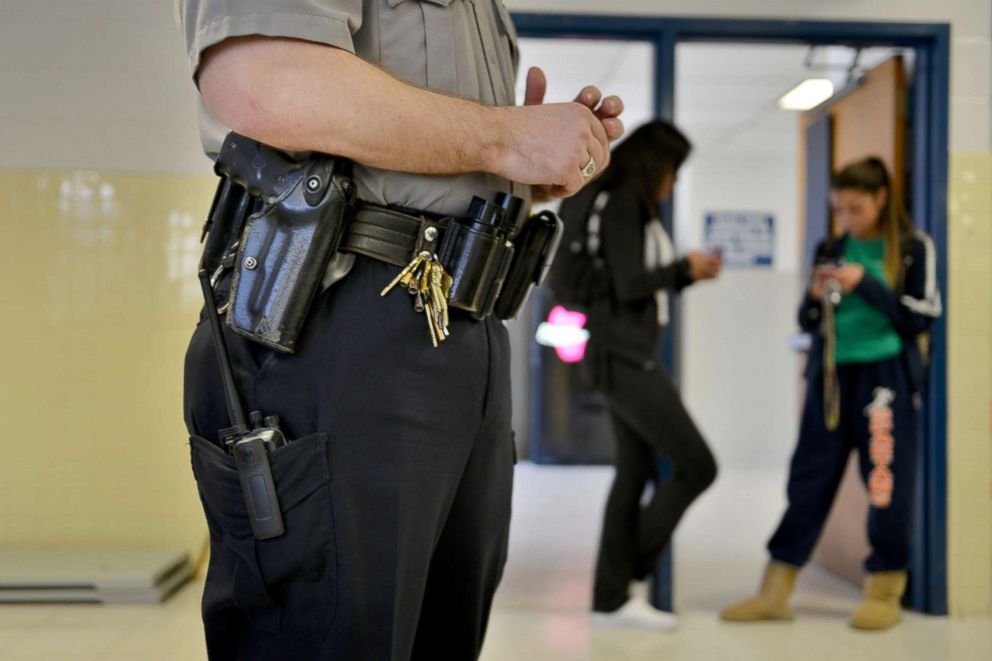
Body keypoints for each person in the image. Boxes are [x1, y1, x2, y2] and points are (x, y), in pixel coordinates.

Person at [175, 2, 625, 659]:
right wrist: (505, 136)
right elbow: (262, 81)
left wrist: (518, 170)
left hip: (461, 320)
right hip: (334, 314)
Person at [721, 156, 942, 631]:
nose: (848, 219)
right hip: (830, 378)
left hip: (886, 379)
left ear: (881, 198)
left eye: (856, 208)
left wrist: (868, 285)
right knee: (808, 480)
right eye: (841, 209)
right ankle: (775, 589)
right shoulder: (830, 247)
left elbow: (920, 317)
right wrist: (817, 298)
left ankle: (885, 589)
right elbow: (805, 320)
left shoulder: (911, 248)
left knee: (885, 483)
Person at [557, 120, 721, 627]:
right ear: (657, 165)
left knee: (633, 471)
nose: (672, 182)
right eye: (673, 170)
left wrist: (682, 277)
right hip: (624, 356)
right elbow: (630, 284)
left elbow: (622, 281)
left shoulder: (619, 200)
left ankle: (611, 599)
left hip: (621, 352)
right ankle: (627, 572)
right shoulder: (626, 201)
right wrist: (684, 271)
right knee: (697, 466)